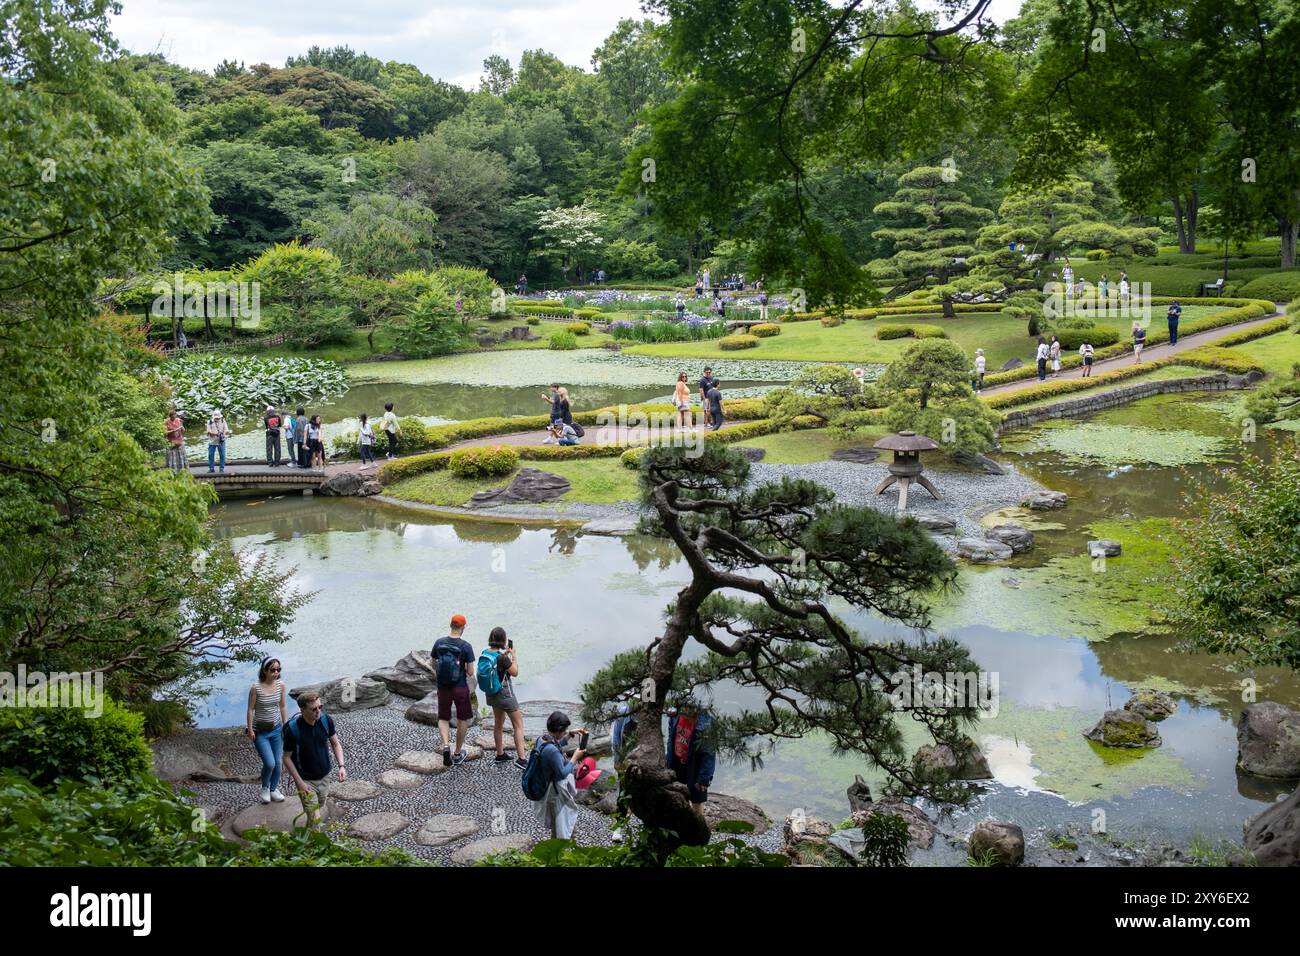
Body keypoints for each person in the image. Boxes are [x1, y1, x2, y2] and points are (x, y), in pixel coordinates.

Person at [282, 690, 346, 826]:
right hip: (305, 781)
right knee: (315, 819)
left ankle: (307, 838)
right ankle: (313, 844)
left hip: (324, 777)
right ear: (302, 710)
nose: (318, 711)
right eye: (313, 709)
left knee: (319, 807)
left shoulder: (325, 720)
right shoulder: (293, 730)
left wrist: (341, 766)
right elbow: (286, 757)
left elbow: (335, 744)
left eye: (320, 707)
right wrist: (299, 782)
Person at [525, 710, 588, 841]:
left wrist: (570, 735)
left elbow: (556, 744)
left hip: (548, 786)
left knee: (559, 822)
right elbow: (562, 773)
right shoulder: (552, 751)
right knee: (562, 823)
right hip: (555, 792)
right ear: (558, 730)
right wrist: (574, 758)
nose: (565, 732)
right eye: (565, 731)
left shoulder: (542, 739)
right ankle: (560, 850)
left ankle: (559, 845)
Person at [479, 627, 528, 770]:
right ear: (503, 640)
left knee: (498, 724)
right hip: (505, 694)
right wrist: (514, 656)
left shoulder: (485, 653)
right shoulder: (503, 658)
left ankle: (500, 754)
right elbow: (515, 672)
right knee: (518, 725)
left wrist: (505, 654)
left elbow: (497, 663)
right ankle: (522, 759)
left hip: (491, 693)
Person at [432, 614, 476, 767]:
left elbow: (434, 664)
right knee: (462, 719)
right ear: (463, 628)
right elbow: (470, 672)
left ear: (451, 625)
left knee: (443, 717)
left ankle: (445, 745)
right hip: (460, 687)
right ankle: (457, 753)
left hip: (443, 687)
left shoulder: (439, 643)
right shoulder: (466, 646)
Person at [245, 657, 288, 804]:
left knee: (278, 763)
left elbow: (283, 706)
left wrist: (286, 725)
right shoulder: (255, 688)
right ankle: (265, 787)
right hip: (260, 732)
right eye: (272, 670)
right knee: (269, 763)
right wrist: (250, 730)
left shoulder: (281, 685)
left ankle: (273, 789)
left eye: (278, 670)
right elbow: (250, 710)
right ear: (264, 670)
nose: (276, 673)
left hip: (276, 730)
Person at [665, 704, 715, 820]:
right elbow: (670, 738)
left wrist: (704, 778)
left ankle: (697, 830)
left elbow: (709, 752)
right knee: (677, 795)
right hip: (677, 761)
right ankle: (680, 826)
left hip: (695, 764)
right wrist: (668, 761)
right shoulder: (675, 714)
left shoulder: (706, 722)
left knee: (697, 799)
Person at [164, 409, 185, 473]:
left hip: (179, 442)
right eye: (172, 417)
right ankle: (172, 471)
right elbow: (165, 433)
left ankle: (182, 470)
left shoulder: (178, 420)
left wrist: (181, 426)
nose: (174, 418)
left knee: (180, 457)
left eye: (175, 416)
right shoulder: (166, 422)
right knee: (172, 458)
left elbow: (183, 430)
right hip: (171, 442)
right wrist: (173, 431)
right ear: (170, 416)